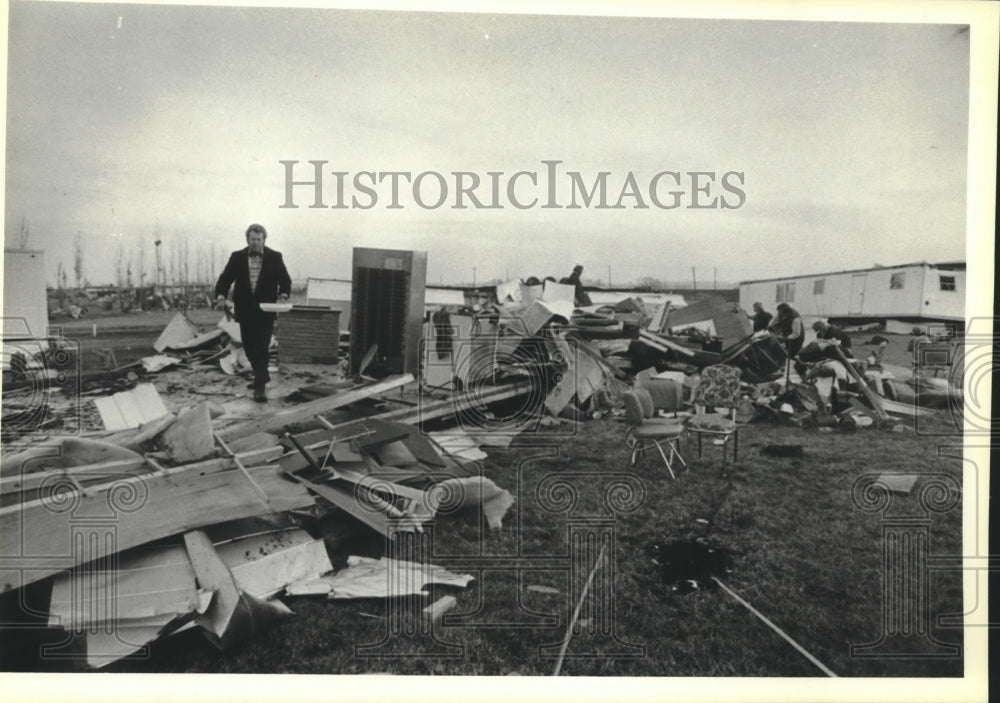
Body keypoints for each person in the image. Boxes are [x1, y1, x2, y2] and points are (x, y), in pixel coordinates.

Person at [215, 224, 291, 401]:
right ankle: (261, 376)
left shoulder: (275, 257)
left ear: (264, 239)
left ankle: (260, 387)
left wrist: (283, 295)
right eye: (253, 239)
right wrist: (220, 296)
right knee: (249, 348)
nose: (256, 243)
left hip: (266, 311)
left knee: (261, 348)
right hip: (245, 310)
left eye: (259, 239)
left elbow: (285, 280)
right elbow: (225, 279)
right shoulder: (237, 257)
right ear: (247, 240)